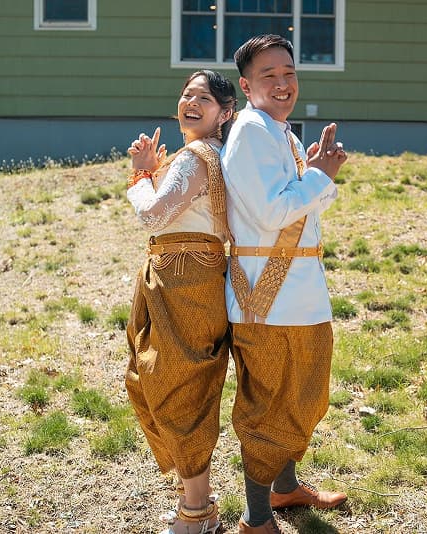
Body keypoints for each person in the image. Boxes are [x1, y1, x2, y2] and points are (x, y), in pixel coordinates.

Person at [221, 34, 348, 534]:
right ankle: (256, 519)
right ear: (246, 85)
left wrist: (319, 171)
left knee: (302, 396)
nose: (282, 83)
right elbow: (273, 212)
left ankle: (285, 487)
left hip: (299, 294)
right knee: (269, 406)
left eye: (289, 73)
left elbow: (307, 206)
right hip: (266, 298)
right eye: (269, 75)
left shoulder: (284, 134)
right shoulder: (252, 131)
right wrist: (318, 176)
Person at [124, 69, 236, 534]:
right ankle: (195, 501)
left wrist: (140, 175)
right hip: (182, 274)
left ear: (225, 113)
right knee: (168, 382)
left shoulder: (196, 155)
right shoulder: (209, 154)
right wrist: (154, 171)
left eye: (203, 98)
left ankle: (197, 512)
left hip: (185, 277)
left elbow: (155, 214)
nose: (191, 102)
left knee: (176, 387)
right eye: (186, 94)